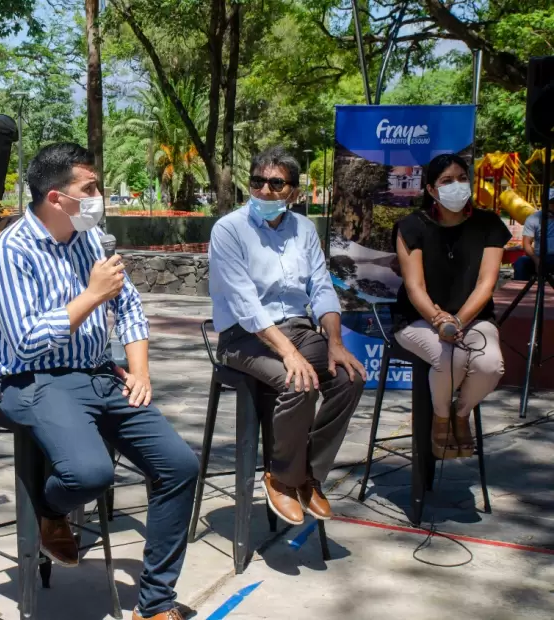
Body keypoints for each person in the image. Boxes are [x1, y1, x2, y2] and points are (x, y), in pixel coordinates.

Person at [0, 143, 199, 620]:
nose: (100, 197)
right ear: (56, 198)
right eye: (91, 188)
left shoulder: (91, 239)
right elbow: (26, 342)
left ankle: (155, 604)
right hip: (32, 380)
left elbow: (130, 306)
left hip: (99, 373)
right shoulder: (8, 254)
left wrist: (140, 371)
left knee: (180, 466)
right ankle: (50, 509)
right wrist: (92, 295)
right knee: (91, 473)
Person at [208, 145, 366, 527]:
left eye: (276, 183)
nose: (264, 190)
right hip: (243, 335)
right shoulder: (229, 229)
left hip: (298, 327)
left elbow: (321, 288)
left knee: (350, 377)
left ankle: (308, 474)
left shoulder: (304, 229)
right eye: (257, 181)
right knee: (298, 383)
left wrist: (335, 343)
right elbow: (246, 304)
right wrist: (288, 354)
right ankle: (281, 477)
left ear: (293, 191)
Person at [393, 153, 510, 459]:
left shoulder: (488, 224)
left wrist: (457, 321)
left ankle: (461, 413)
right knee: (451, 358)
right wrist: (439, 320)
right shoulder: (412, 226)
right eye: (446, 181)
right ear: (431, 190)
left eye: (461, 178)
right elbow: (414, 287)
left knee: (490, 365)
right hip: (418, 318)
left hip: (474, 318)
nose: (456, 185)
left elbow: (486, 284)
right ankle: (441, 418)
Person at [513, 189, 554, 281]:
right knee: (521, 262)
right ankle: (521, 288)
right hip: (540, 257)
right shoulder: (534, 219)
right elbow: (526, 244)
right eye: (552, 202)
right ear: (545, 203)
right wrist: (536, 260)